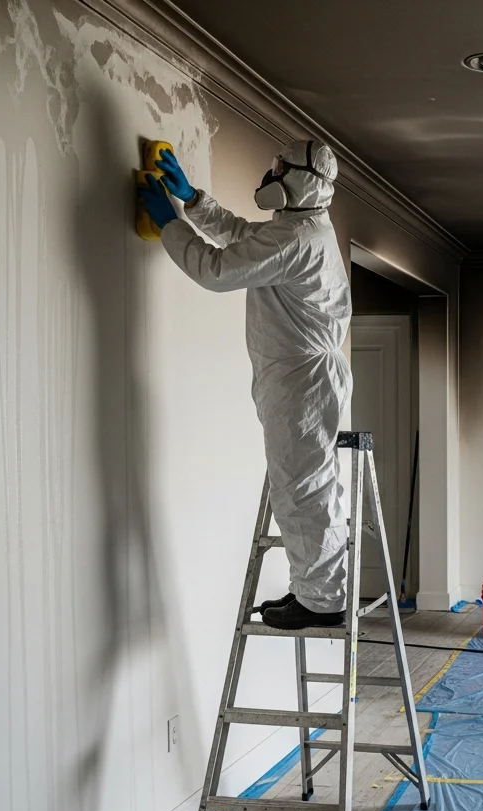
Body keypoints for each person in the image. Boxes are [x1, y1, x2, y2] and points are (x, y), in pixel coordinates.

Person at [137, 139, 353, 630]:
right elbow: (242, 237)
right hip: (304, 377)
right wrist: (193, 201)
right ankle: (318, 591)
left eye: (279, 166)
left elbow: (217, 269)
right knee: (309, 483)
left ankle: (321, 601)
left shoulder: (296, 239)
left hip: (301, 380)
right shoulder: (300, 228)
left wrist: (170, 223)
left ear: (300, 179)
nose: (270, 172)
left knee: (301, 488)